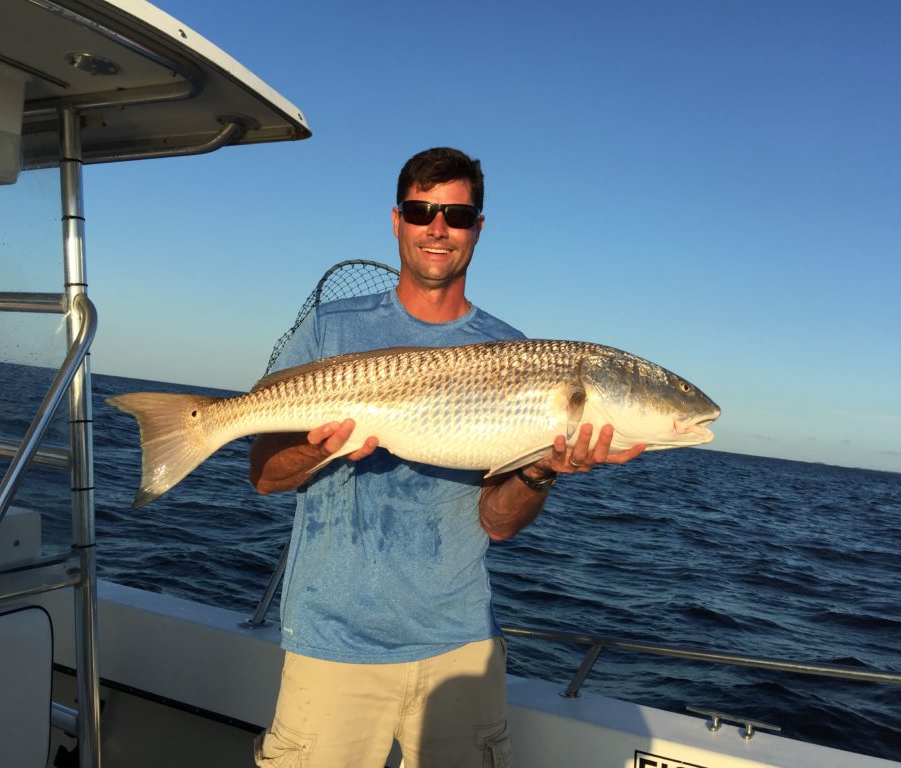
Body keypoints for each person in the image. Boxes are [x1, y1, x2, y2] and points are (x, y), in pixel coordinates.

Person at [249, 147, 644, 767]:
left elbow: (498, 522)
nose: (438, 228)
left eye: (456, 216)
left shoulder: (516, 353)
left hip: (461, 646)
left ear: (478, 228)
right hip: (332, 645)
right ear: (397, 219)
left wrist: (541, 469)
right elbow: (264, 477)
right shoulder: (330, 329)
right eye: (421, 210)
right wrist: (316, 445)